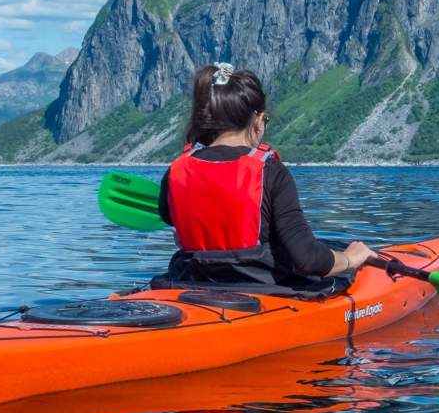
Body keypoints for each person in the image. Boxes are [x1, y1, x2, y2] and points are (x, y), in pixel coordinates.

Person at [154, 62, 376, 289]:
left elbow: (171, 218)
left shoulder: (176, 171)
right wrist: (349, 258)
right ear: (258, 120)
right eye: (266, 121)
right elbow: (308, 259)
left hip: (191, 285)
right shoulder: (271, 172)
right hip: (259, 290)